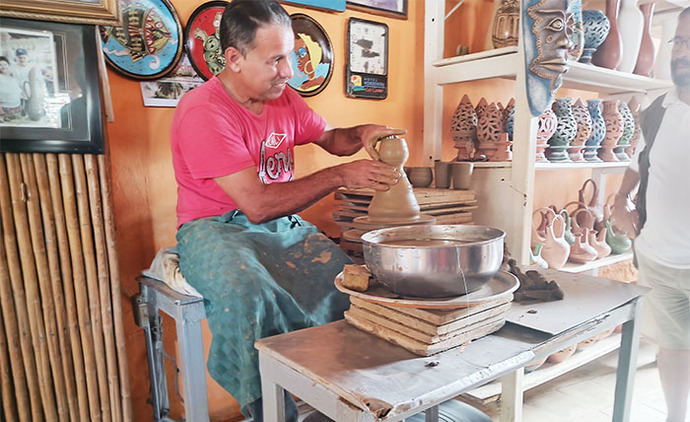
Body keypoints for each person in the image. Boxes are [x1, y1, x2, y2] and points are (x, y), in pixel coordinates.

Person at [170, 1, 402, 421]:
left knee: (345, 286)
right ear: (235, 59)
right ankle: (269, 410)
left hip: (277, 225)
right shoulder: (204, 111)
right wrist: (338, 177)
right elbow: (257, 205)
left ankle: (341, 400)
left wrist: (363, 132)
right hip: (214, 228)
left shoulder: (283, 99)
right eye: (276, 59)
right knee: (249, 296)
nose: (289, 70)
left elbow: (332, 139)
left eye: (291, 54)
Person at [613, 7, 690, 422]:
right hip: (659, 259)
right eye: (679, 41)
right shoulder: (657, 109)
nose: (681, 52)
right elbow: (638, 161)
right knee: (674, 348)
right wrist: (619, 201)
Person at [0, 56, 23, 120]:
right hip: (4, 108)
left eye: (5, 64)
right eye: (0, 65)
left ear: (8, 65)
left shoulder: (13, 75)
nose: (3, 66)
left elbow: (19, 88)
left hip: (16, 106)